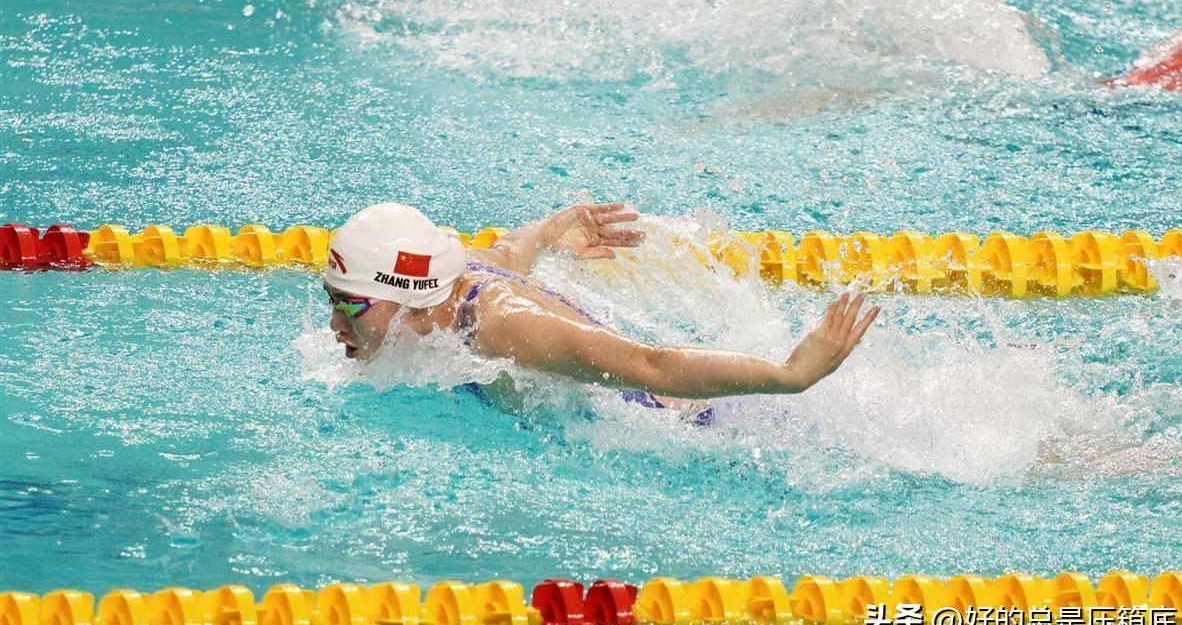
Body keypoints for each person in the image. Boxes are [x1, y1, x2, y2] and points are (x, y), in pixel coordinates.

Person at [323, 202, 879, 423]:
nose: (334, 325)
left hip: (697, 426)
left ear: (408, 295)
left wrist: (790, 376)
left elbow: (651, 365)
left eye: (351, 305)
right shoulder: (454, 276)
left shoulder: (504, 324)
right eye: (332, 300)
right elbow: (513, 249)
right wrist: (552, 229)